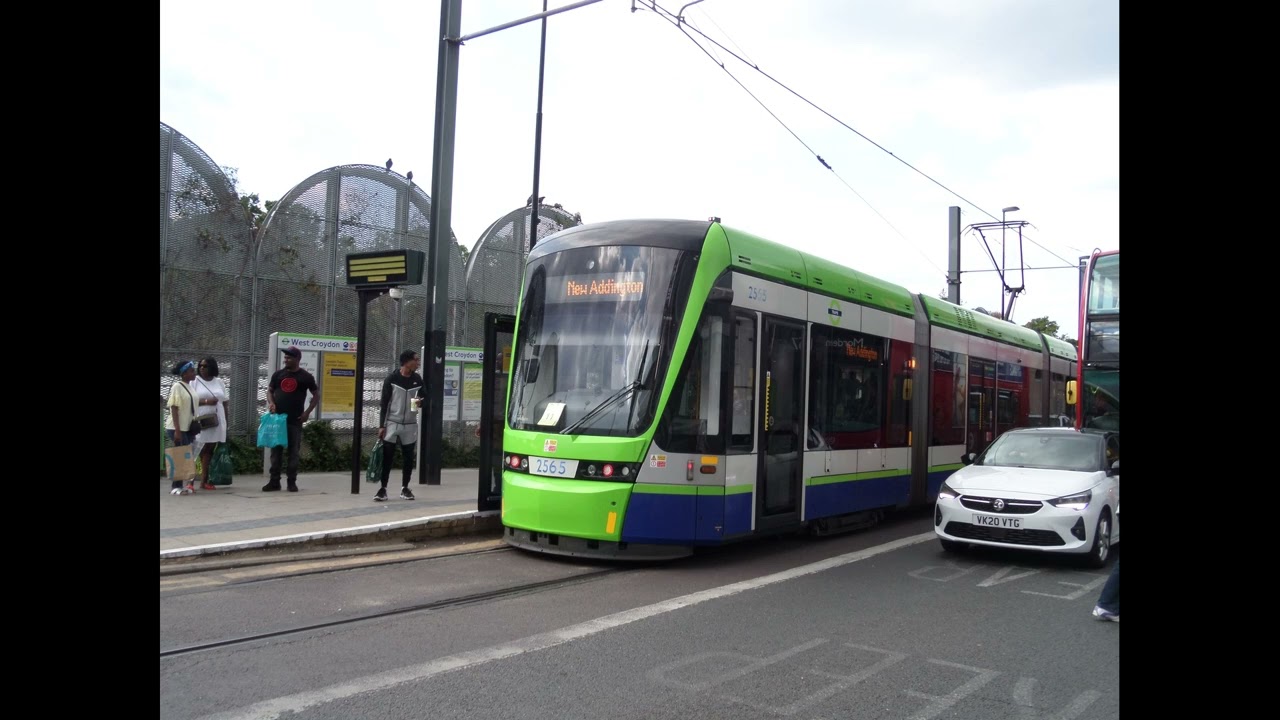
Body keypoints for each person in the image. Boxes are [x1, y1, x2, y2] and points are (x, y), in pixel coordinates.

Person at [265, 347, 319, 492]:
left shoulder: (305, 377)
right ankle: (274, 481)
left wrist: (307, 412)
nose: (286, 360)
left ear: (297, 359)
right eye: (285, 357)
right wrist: (271, 403)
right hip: (278, 420)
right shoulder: (278, 375)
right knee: (276, 452)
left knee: (293, 452)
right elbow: (270, 391)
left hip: (295, 420)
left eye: (289, 358)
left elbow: (316, 394)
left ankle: (291, 482)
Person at [374, 349, 425, 501]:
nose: (418, 363)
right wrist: (382, 425)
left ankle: (405, 488)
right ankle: (383, 489)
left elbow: (425, 397)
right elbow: (384, 403)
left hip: (410, 424)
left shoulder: (417, 379)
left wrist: (420, 403)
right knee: (387, 457)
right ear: (407, 362)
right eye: (416, 360)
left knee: (408, 458)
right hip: (392, 423)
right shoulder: (392, 379)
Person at [192, 356, 230, 491]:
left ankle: (204, 480)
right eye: (200, 366)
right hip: (201, 420)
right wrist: (207, 402)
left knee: (209, 450)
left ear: (212, 367)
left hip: (217, 420)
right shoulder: (195, 381)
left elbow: (225, 402)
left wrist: (226, 423)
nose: (202, 368)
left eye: (205, 366)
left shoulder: (219, 382)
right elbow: (190, 400)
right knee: (197, 449)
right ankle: (190, 480)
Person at [166, 360, 200, 495]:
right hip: (177, 427)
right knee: (180, 456)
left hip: (187, 427)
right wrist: (177, 430)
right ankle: (176, 486)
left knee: (186, 455)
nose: (194, 373)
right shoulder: (177, 386)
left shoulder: (190, 387)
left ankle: (183, 484)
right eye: (191, 371)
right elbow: (174, 408)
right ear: (184, 373)